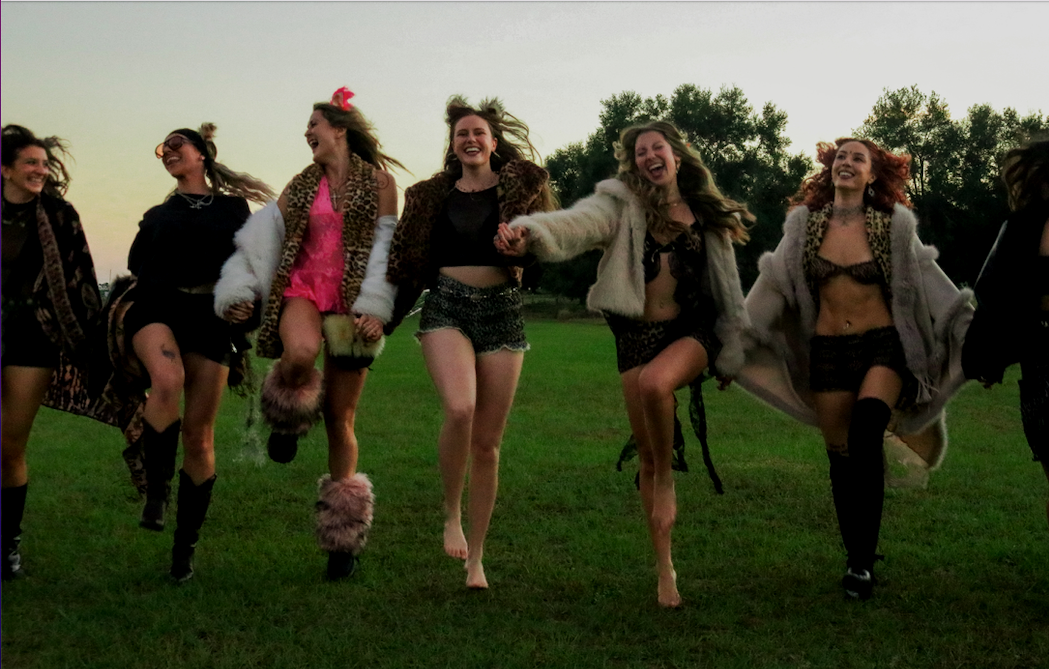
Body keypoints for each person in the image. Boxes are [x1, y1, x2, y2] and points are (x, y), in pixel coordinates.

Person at [496, 120, 752, 607]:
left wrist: (733, 347)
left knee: (656, 385)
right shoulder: (621, 204)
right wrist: (530, 232)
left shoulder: (704, 213)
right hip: (635, 336)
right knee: (648, 455)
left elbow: (728, 285)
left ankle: (668, 481)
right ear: (633, 163)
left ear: (677, 153)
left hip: (691, 332)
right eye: (640, 152)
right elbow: (576, 224)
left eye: (657, 148)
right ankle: (665, 568)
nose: (649, 156)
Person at [736, 138, 973, 600]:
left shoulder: (892, 227)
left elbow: (933, 283)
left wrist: (974, 337)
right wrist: (733, 348)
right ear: (831, 170)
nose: (846, 162)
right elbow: (771, 288)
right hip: (827, 352)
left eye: (857, 158)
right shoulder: (804, 228)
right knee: (840, 456)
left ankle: (862, 562)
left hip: (883, 346)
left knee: (866, 432)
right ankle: (856, 557)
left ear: (872, 175)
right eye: (840, 157)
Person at [214, 87, 401, 580]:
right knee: (298, 353)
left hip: (353, 303)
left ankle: (343, 540)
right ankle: (285, 418)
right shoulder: (300, 185)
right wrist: (240, 291)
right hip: (302, 289)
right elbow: (261, 239)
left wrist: (375, 308)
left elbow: (385, 248)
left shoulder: (380, 183)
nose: (307, 132)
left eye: (313, 124)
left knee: (340, 419)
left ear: (339, 129)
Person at [385, 96, 553, 590]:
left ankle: (476, 558)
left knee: (488, 445)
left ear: (493, 142)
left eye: (479, 132)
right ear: (453, 145)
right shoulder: (429, 197)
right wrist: (382, 319)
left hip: (503, 311)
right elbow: (408, 264)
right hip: (447, 307)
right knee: (460, 409)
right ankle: (451, 513)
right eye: (462, 134)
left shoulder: (520, 193)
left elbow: (542, 259)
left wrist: (522, 250)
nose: (471, 139)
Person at [123, 123, 275, 582]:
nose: (168, 152)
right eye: (163, 149)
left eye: (177, 144)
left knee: (199, 436)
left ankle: (184, 548)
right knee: (167, 381)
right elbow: (136, 265)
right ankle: (157, 493)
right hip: (159, 309)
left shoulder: (234, 209)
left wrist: (247, 306)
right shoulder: (157, 214)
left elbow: (251, 265)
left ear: (202, 154)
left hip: (210, 318)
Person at [1, 125, 111, 581]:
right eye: (30, 162)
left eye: (44, 164)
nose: (40, 170)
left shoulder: (60, 216)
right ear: (5, 169)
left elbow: (81, 277)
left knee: (9, 447)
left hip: (32, 337)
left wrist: (98, 345)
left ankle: (7, 544)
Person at [962, 138, 1049, 527]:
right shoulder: (1020, 228)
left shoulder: (1020, 227)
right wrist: (989, 356)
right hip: (1042, 365)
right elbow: (995, 296)